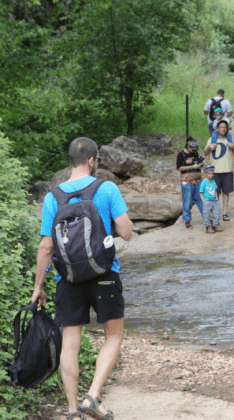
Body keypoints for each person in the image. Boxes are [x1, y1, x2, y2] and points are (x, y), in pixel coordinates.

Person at [30, 137, 133, 420]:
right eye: (97, 160)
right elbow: (126, 232)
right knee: (113, 334)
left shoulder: (53, 197)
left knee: (70, 342)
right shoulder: (107, 188)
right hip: (105, 274)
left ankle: (74, 411)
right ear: (91, 160)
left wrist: (38, 287)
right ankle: (93, 394)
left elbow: (46, 246)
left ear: (70, 162)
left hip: (68, 279)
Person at [205, 120, 234, 222]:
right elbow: (205, 153)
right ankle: (215, 212)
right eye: (221, 127)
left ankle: (225, 212)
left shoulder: (230, 139)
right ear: (218, 128)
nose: (223, 129)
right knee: (215, 193)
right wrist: (209, 147)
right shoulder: (212, 139)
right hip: (215, 171)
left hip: (227, 169)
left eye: (225, 127)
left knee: (226, 192)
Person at [176, 137, 205, 229]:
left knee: (201, 200)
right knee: (187, 202)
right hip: (187, 183)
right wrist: (192, 166)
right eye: (193, 148)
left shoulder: (195, 153)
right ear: (188, 147)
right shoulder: (181, 154)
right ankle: (187, 220)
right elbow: (179, 168)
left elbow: (200, 161)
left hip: (198, 181)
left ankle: (207, 217)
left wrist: (200, 164)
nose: (195, 150)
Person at [199, 165, 221, 233]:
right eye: (209, 173)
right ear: (206, 174)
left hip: (214, 200)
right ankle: (208, 227)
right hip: (207, 201)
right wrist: (204, 201)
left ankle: (215, 226)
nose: (211, 175)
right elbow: (201, 192)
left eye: (212, 173)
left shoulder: (213, 181)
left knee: (216, 214)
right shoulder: (203, 182)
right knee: (207, 214)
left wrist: (217, 198)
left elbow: (215, 190)